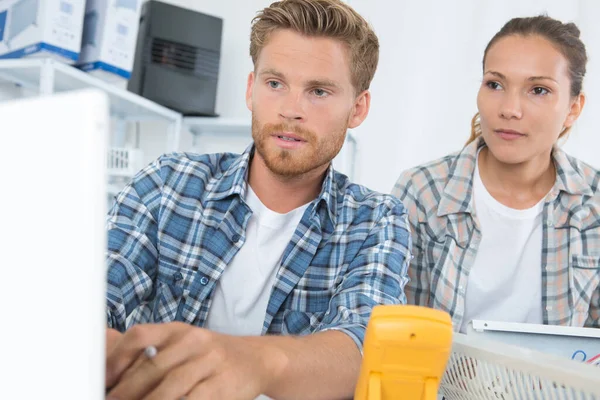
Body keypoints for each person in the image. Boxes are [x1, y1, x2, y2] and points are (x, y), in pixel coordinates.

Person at [105, 1, 411, 399]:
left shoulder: (377, 221)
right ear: (252, 89)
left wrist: (252, 363)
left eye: (318, 91)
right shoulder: (168, 183)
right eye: (275, 83)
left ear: (358, 108)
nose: (291, 110)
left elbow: (363, 349)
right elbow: (90, 296)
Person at [393, 15, 599, 334]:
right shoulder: (421, 191)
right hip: (439, 384)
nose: (509, 109)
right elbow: (397, 331)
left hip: (556, 385)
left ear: (573, 108)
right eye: (495, 84)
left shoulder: (594, 201)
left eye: (539, 90)